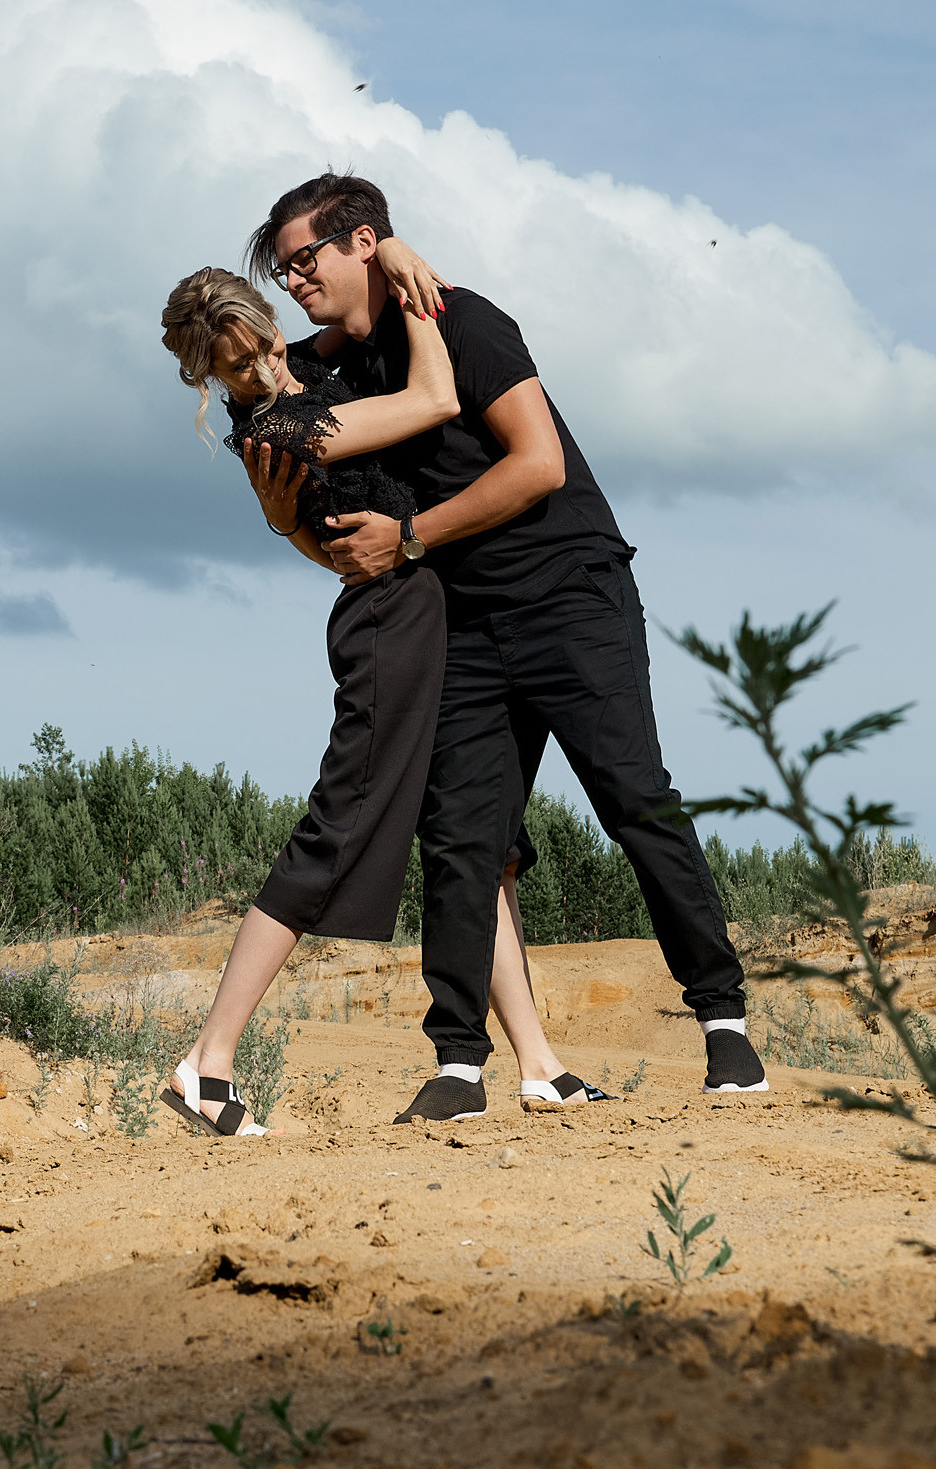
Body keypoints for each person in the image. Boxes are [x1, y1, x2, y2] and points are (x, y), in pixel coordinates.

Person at [238, 174, 770, 1121]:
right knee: (461, 838)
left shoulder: (464, 319)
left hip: (570, 591)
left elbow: (539, 464)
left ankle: (725, 1028)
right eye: (282, 269)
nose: (293, 280)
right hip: (463, 620)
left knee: (634, 799)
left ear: (363, 242)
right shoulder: (327, 372)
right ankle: (458, 1065)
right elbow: (259, 373)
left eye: (304, 258)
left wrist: (408, 539)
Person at [154, 267, 611, 1136]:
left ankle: (540, 1064)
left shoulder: (305, 382)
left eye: (263, 342)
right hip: (389, 624)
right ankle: (206, 1065)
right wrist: (403, 261)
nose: (263, 367)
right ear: (209, 379)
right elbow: (437, 396)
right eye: (237, 368)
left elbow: (308, 529)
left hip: (426, 613)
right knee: (342, 821)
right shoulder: (291, 423)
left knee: (479, 836)